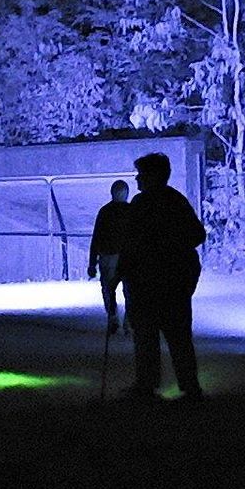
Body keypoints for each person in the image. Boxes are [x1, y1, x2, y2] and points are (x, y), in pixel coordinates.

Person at [117, 153, 207, 403]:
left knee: (148, 335)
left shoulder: (142, 205)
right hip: (173, 282)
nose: (137, 179)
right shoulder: (176, 201)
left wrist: (124, 271)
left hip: (150, 282)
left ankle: (148, 384)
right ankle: (188, 385)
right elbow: (197, 234)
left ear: (152, 176)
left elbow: (129, 243)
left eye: (142, 174)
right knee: (177, 336)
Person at [89, 180, 132, 336]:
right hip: (128, 257)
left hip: (108, 257)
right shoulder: (132, 211)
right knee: (130, 290)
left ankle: (113, 317)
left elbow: (96, 238)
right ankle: (128, 321)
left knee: (108, 289)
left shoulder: (105, 212)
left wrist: (92, 263)